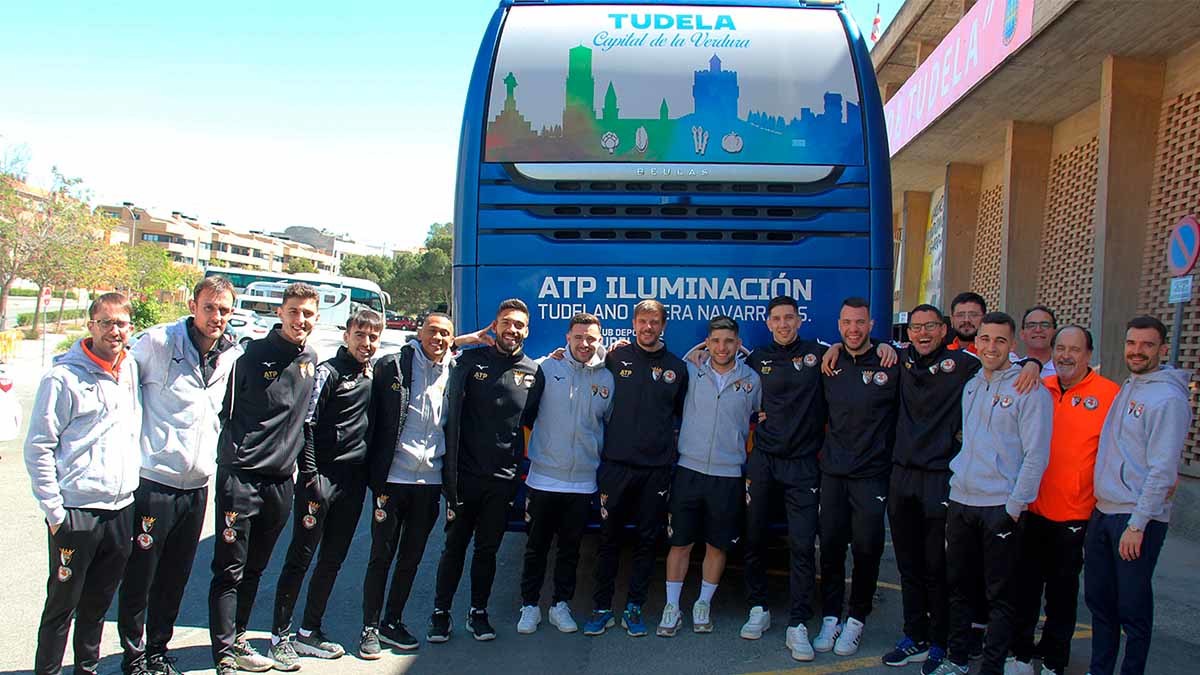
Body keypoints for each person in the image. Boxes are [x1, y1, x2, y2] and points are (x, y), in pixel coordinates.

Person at [854, 305, 1040, 673]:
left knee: (938, 567)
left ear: (944, 330)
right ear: (908, 333)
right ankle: (915, 636)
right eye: (916, 327)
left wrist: (1030, 363)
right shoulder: (899, 359)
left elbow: (1001, 361)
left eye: (930, 327)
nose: (922, 333)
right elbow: (853, 344)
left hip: (942, 479)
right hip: (902, 475)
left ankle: (941, 642)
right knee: (908, 564)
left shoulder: (967, 368)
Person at [118, 278, 241, 675]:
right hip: (154, 481)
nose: (216, 317)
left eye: (223, 310)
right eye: (209, 307)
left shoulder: (230, 354)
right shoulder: (158, 343)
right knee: (142, 575)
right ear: (193, 305)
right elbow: (117, 380)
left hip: (197, 485)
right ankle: (134, 658)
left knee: (175, 576)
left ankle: (158, 651)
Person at [25, 292, 141, 675]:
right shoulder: (63, 377)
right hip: (76, 511)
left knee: (97, 606)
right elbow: (39, 446)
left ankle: (86, 669)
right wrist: (55, 513)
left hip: (120, 508)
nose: (114, 330)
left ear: (130, 327)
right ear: (91, 325)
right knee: (63, 605)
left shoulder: (130, 370)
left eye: (121, 323)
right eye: (105, 322)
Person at [209, 283, 320, 675]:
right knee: (229, 570)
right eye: (293, 311)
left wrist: (307, 473)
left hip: (280, 483)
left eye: (307, 313)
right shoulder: (249, 355)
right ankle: (223, 654)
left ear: (316, 317)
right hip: (240, 479)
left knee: (255, 568)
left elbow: (305, 422)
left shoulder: (310, 359)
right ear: (280, 312)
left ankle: (238, 640)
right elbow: (220, 408)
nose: (300, 320)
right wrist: (232, 455)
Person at [934, 312, 1051, 675]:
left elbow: (1036, 455)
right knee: (958, 587)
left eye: (1000, 340)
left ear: (1012, 345)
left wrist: (1015, 506)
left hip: (1000, 506)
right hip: (962, 500)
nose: (991, 346)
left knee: (1000, 594)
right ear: (977, 342)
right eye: (985, 339)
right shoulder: (971, 385)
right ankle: (956, 659)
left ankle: (992, 667)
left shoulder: (1030, 389)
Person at [269, 309, 384, 667]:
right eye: (360, 335)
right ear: (347, 335)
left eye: (373, 337)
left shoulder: (372, 373)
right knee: (299, 559)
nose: (367, 343)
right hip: (321, 482)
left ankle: (309, 632)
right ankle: (279, 636)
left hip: (353, 484)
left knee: (332, 560)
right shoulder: (328, 372)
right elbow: (307, 423)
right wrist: (311, 475)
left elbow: (428, 349)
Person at [427, 298, 544, 642]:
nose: (513, 329)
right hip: (463, 478)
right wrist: (464, 339)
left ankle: (478, 612)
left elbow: (532, 420)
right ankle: (440, 613)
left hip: (503, 480)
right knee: (454, 548)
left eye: (519, 325)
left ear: (527, 330)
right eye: (506, 322)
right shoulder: (469, 361)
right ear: (495, 325)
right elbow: (427, 351)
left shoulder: (533, 373)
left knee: (487, 551)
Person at [1008, 325, 1118, 675]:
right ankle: (1021, 655)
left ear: (1088, 355)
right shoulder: (1039, 387)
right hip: (1032, 508)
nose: (1066, 355)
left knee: (1062, 594)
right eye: (1061, 349)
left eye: (1075, 349)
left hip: (1075, 514)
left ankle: (1055, 658)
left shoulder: (1109, 394)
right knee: (1024, 590)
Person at [1084, 315, 1191, 675]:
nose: (1138, 351)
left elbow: (1163, 470)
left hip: (1135, 521)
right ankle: (1099, 670)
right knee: (1101, 604)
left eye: (1147, 345)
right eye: (1132, 343)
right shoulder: (1129, 386)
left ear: (1162, 349)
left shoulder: (1167, 398)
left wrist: (1139, 523)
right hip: (1104, 512)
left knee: (1132, 610)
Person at [583, 299, 688, 638]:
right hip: (615, 467)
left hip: (656, 471)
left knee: (647, 542)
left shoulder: (677, 368)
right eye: (642, 321)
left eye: (654, 322)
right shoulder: (615, 357)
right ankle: (601, 607)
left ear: (664, 326)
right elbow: (580, 362)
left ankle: (634, 607)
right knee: (609, 540)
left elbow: (686, 413)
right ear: (633, 324)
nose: (648, 327)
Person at [733, 295, 827, 662]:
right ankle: (759, 607)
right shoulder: (756, 359)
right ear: (768, 322)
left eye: (790, 318)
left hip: (804, 464)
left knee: (802, 545)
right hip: (764, 462)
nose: (784, 324)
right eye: (777, 319)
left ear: (800, 320)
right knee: (754, 537)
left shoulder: (820, 356)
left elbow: (857, 354)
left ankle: (798, 622)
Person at [658, 316, 760, 638]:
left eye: (729, 341)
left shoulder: (752, 380)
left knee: (717, 545)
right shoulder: (690, 372)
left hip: (728, 475)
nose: (721, 347)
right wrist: (694, 352)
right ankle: (672, 607)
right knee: (680, 543)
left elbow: (762, 416)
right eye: (715, 341)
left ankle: (703, 603)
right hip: (688, 470)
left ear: (738, 344)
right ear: (706, 343)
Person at [360, 312, 455, 656]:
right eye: (433, 331)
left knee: (411, 558)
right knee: (380, 557)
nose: (439, 339)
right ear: (419, 332)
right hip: (393, 479)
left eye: (446, 334)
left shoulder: (454, 370)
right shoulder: (393, 366)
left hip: (429, 483)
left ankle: (392, 622)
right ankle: (369, 627)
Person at [516, 312, 614, 635]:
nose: (585, 343)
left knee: (571, 549)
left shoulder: (607, 378)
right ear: (567, 338)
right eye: (579, 337)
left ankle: (561, 605)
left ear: (600, 340)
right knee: (536, 547)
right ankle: (529, 606)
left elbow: (609, 423)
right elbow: (526, 416)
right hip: (544, 478)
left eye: (591, 338)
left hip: (583, 480)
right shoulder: (547, 368)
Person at [815, 297, 899, 658]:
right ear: (839, 325)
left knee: (866, 550)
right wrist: (833, 349)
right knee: (831, 549)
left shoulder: (890, 363)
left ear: (871, 323)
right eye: (847, 323)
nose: (853, 329)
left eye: (860, 322)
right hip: (833, 473)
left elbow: (931, 354)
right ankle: (831, 617)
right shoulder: (829, 364)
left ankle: (856, 619)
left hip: (871, 475)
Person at [1019, 306, 1057, 377]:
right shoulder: (1013, 370)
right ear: (1022, 334)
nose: (1038, 330)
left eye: (1045, 325)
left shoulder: (1063, 371)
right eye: (1031, 325)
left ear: (1055, 333)